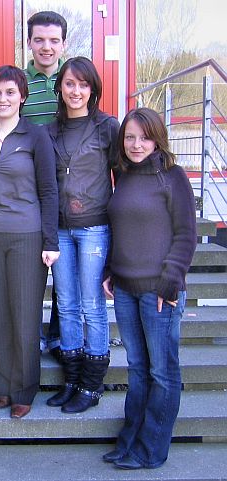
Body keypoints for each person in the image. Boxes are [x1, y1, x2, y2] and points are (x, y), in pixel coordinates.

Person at [102, 108, 197, 470]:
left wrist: (171, 282)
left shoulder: (172, 177)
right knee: (138, 369)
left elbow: (186, 234)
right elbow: (121, 228)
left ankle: (151, 448)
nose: (136, 144)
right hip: (125, 289)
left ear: (157, 138)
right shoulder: (123, 175)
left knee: (162, 372)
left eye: (143, 137)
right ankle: (129, 441)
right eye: (129, 137)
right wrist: (111, 269)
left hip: (160, 290)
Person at [0, 65, 59, 419]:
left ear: (22, 97)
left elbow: (49, 191)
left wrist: (50, 241)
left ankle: (25, 388)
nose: (3, 98)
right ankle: (3, 386)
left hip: (27, 235)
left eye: (10, 92)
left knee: (24, 315)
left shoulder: (36, 136)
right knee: (1, 312)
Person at [46, 57, 119, 414]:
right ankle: (72, 380)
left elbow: (123, 177)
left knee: (92, 305)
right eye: (70, 83)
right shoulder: (50, 130)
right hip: (60, 230)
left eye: (83, 84)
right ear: (60, 86)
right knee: (68, 304)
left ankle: (92, 385)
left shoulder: (107, 127)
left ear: (93, 89)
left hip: (94, 228)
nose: (76, 91)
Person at [22, 10, 67, 358]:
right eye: (39, 39)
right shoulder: (20, 83)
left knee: (64, 263)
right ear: (29, 42)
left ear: (63, 43)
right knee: (35, 263)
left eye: (53, 40)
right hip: (33, 187)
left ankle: (58, 332)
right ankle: (32, 330)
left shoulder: (74, 78)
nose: (46, 47)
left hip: (71, 186)